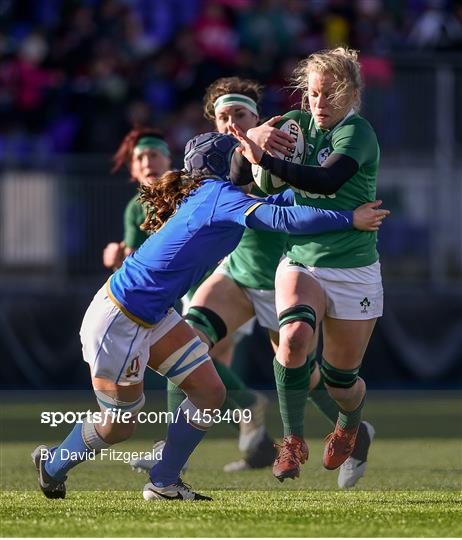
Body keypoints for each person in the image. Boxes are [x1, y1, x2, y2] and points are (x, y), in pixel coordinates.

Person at [31, 131, 385, 501]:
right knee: (119, 425)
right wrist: (349, 218)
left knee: (210, 392)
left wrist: (314, 181)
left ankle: (164, 480)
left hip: (150, 314)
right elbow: (283, 217)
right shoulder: (219, 197)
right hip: (121, 318)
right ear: (224, 163)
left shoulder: (213, 194)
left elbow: (281, 200)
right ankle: (53, 464)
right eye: (239, 157)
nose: (245, 162)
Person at [230, 47, 388, 486]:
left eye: (330, 95)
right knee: (295, 340)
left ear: (352, 94)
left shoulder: (357, 132)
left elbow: (327, 179)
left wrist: (268, 162)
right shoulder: (294, 127)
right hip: (301, 260)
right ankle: (293, 441)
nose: (319, 103)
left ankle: (351, 425)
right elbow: (240, 177)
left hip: (354, 269)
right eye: (313, 94)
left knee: (342, 382)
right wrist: (252, 147)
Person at [102, 128, 172, 271]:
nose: (147, 163)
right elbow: (133, 264)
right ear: (133, 169)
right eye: (139, 158)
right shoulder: (135, 208)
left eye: (154, 155)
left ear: (168, 159)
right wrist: (116, 259)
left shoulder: (190, 188)